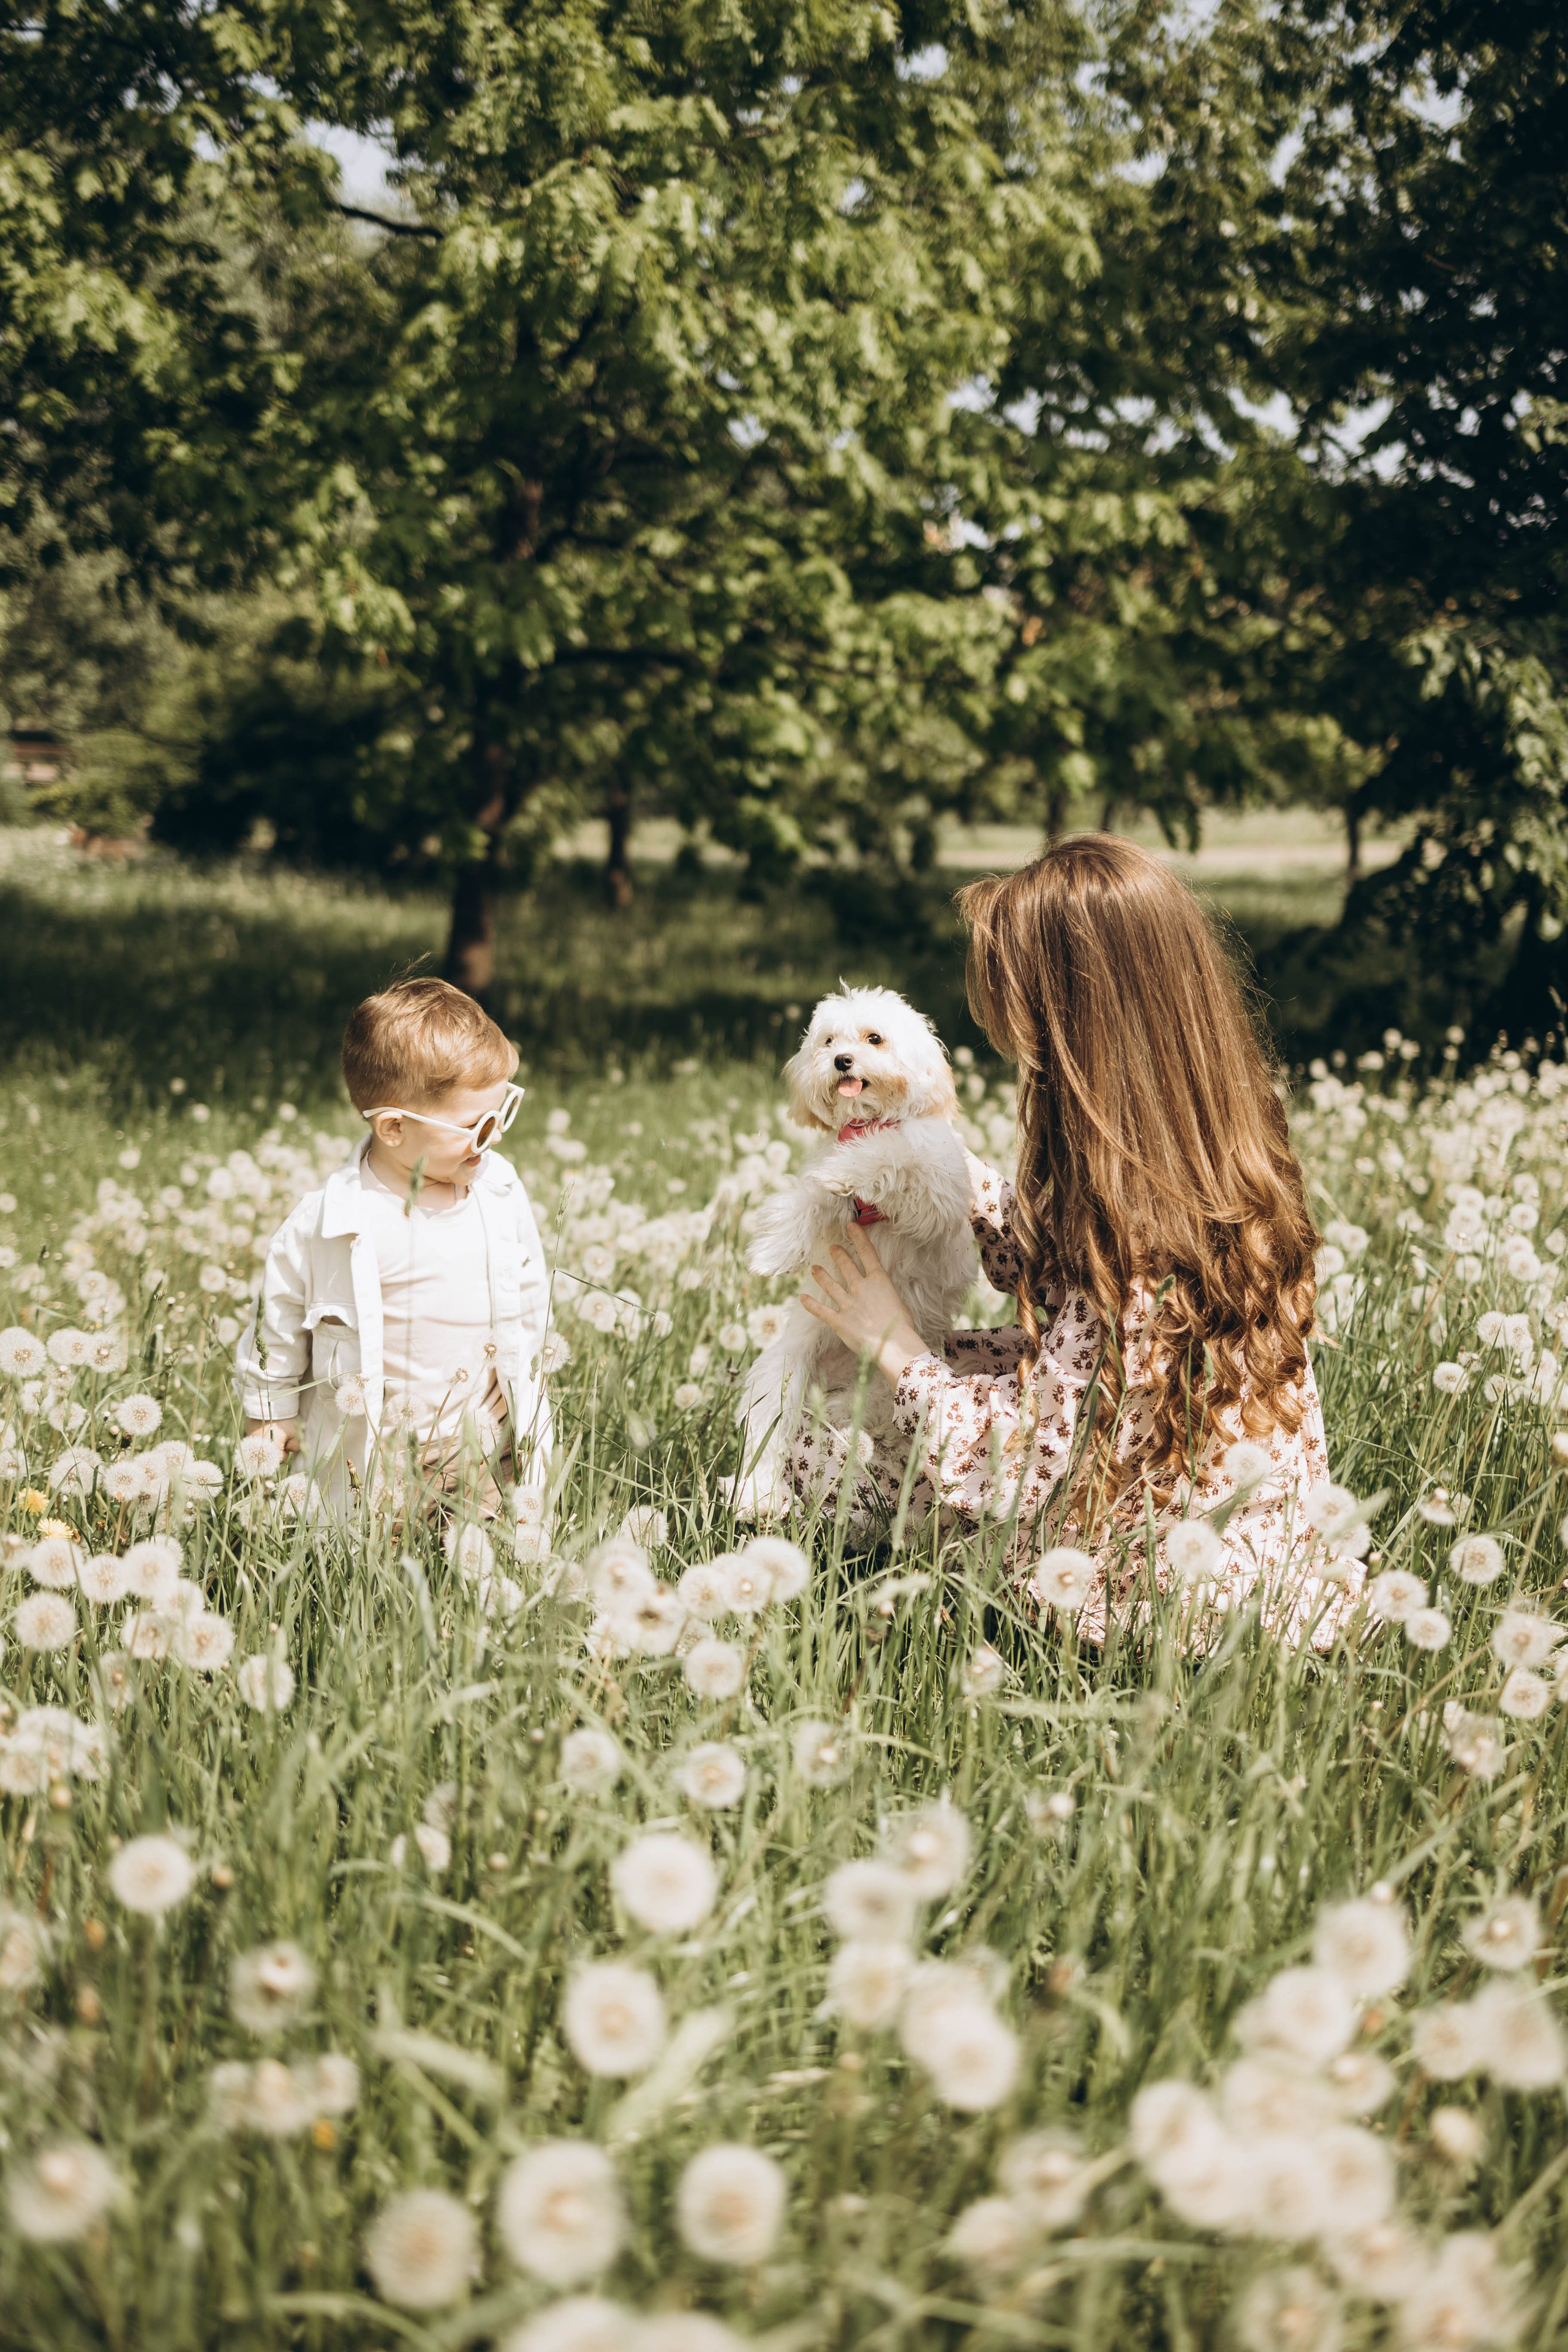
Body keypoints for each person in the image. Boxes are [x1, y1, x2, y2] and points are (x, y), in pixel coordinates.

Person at [793, 834, 1355, 1646]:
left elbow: (1029, 1459)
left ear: (1078, 1028)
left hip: (1150, 1592)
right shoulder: (1208, 1157)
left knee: (824, 1447)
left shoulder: (1139, 1237)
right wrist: (959, 1184)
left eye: (1023, 1023)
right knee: (918, 1382)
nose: (1016, 1046)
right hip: (1259, 1548)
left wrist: (893, 1344)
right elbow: (1065, 1314)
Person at [238, 978, 552, 1516]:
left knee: (488, 1566)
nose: (495, 1137)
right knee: (380, 1565)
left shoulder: (498, 1191)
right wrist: (271, 1412)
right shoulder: (327, 1223)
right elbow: (279, 1322)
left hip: (485, 1437)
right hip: (379, 1452)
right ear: (392, 1127)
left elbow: (529, 1288)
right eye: (476, 1128)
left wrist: (527, 1374)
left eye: (502, 1115)